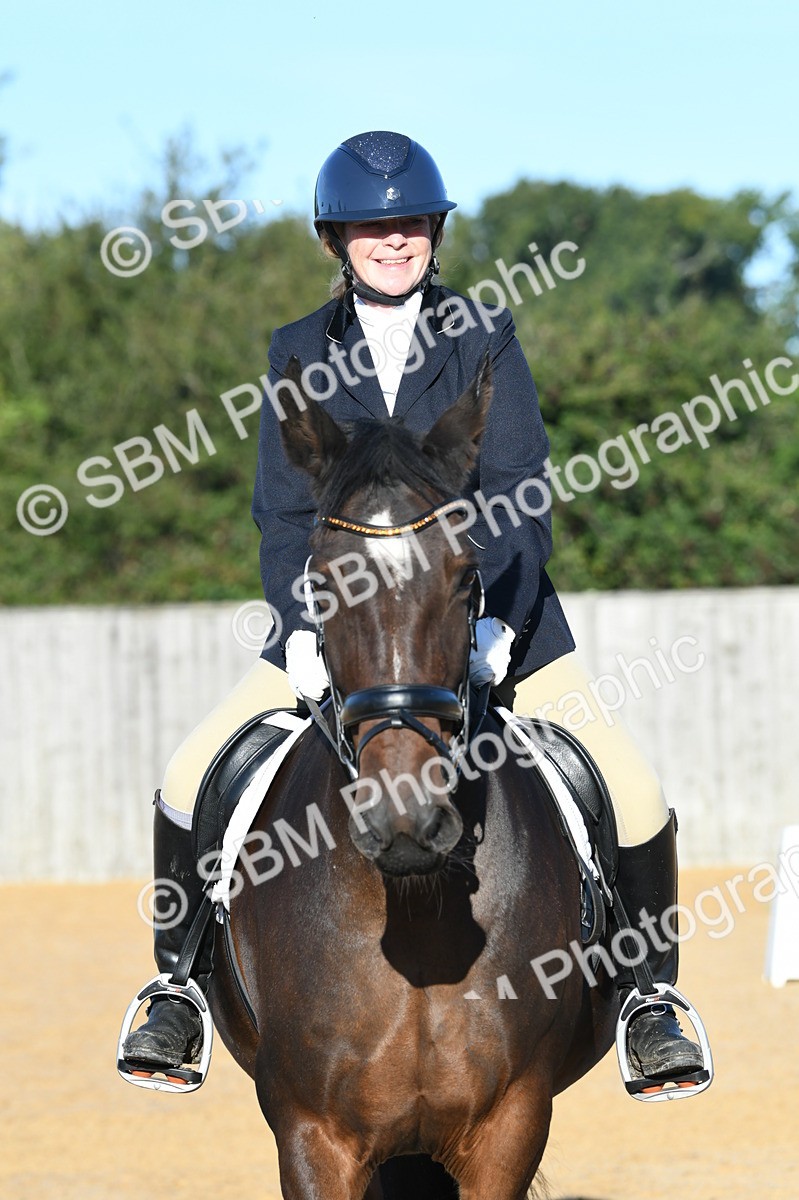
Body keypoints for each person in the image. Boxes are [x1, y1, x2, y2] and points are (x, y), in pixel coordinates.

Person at [122, 131, 708, 1092]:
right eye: (369, 228)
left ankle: (650, 999)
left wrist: (495, 631)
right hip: (338, 629)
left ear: (433, 232)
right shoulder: (296, 351)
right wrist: (306, 631)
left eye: (407, 226)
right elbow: (281, 516)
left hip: (487, 624)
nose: (391, 242)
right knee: (191, 776)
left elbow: (519, 490)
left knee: (630, 787)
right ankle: (177, 989)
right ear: (336, 240)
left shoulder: (484, 334)